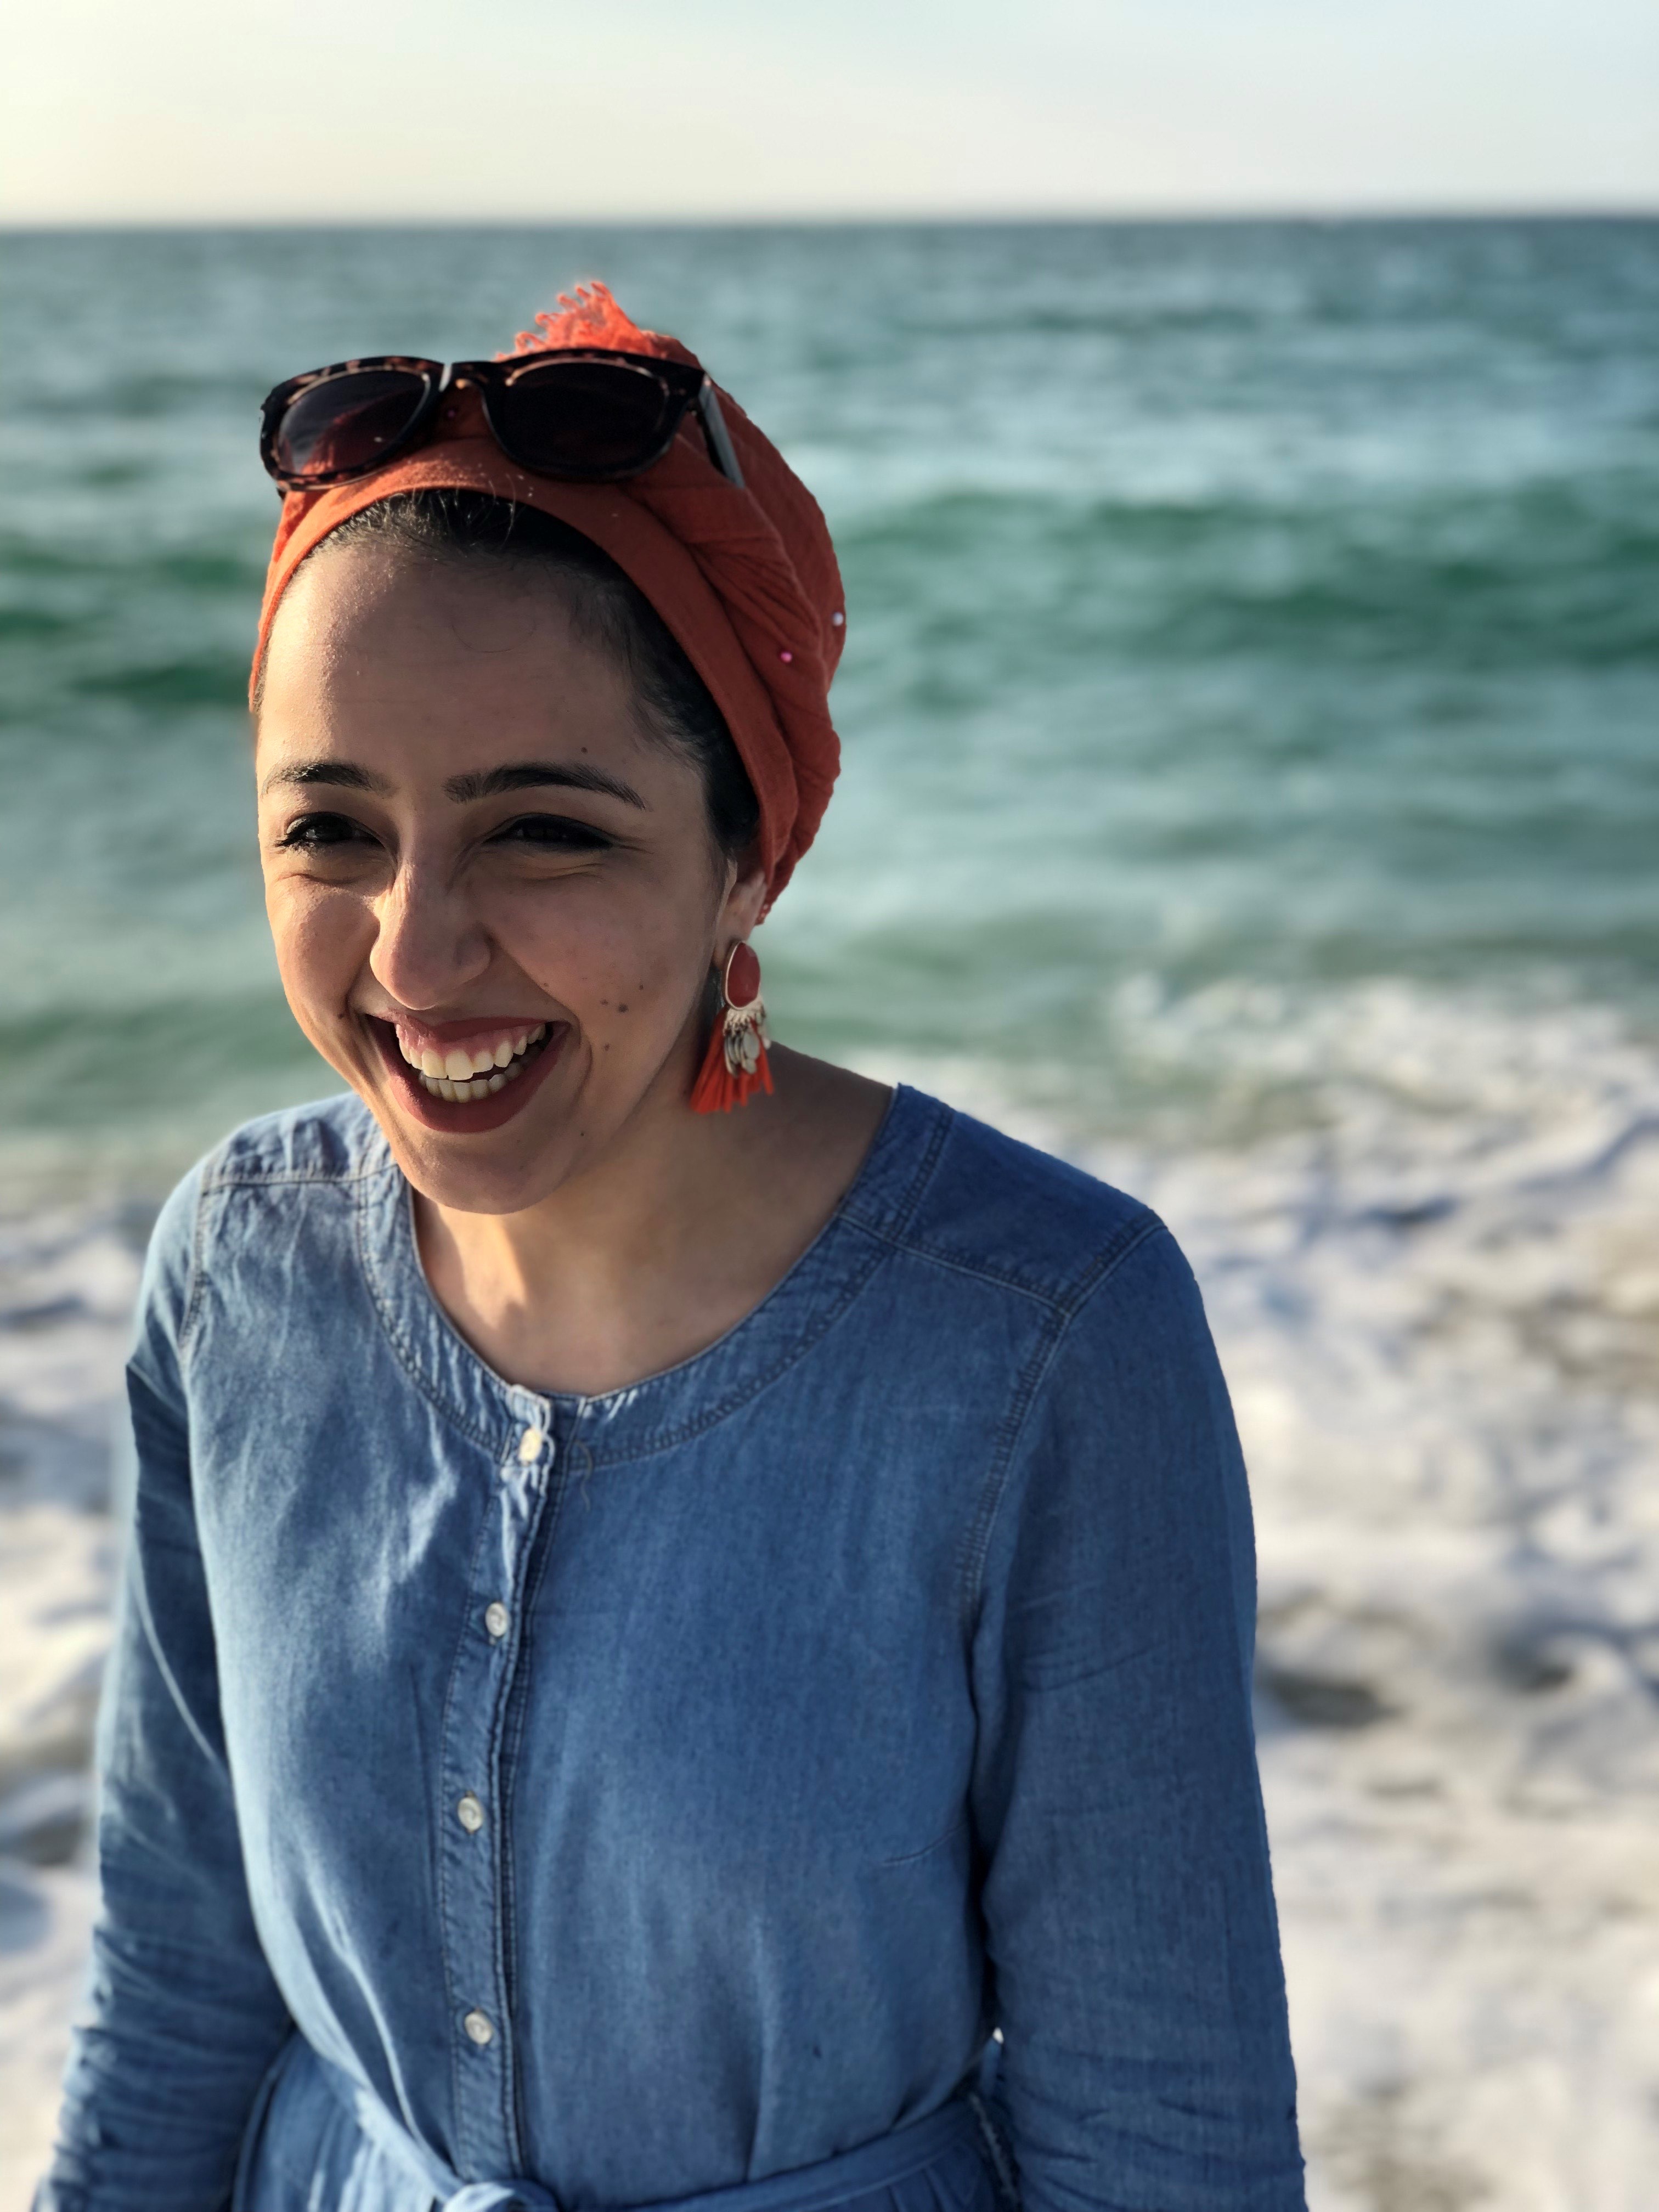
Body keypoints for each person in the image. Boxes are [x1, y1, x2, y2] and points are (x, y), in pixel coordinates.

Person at [39, 286, 1306, 2212]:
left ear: (746, 859)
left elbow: (1164, 2139)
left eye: (544, 833)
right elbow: (175, 1989)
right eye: (330, 832)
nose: (416, 956)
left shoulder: (1047, 1339)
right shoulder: (237, 1274)